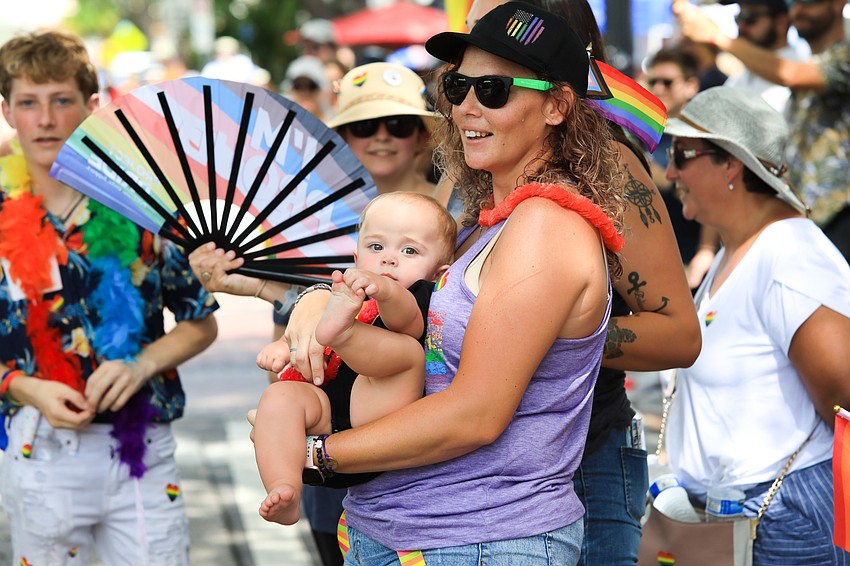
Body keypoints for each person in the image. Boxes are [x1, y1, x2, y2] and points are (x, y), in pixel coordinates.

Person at [279, 2, 628, 562]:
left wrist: (315, 454)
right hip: (404, 532)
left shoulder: (546, 225)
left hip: (479, 540)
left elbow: (475, 415)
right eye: (457, 85)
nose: (467, 106)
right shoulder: (484, 225)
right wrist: (315, 301)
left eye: (493, 90)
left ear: (557, 105)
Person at [458, 1, 702, 563]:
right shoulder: (481, 153)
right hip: (488, 470)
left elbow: (679, 334)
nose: (473, 49)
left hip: (585, 465)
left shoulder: (608, 166)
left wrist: (549, 336)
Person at [0, 30, 218, 565]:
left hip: (140, 444)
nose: (45, 119)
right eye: (28, 103)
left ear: (92, 106)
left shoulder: (143, 206)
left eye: (61, 100)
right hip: (38, 444)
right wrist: (27, 388)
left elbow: (200, 321)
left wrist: (142, 364)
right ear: (7, 112)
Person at [663, 86, 850, 564]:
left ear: (731, 165)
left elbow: (844, 397)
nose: (669, 172)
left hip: (783, 521)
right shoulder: (739, 248)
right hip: (737, 517)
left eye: (681, 155)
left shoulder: (791, 254)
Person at [251, 192, 455, 525]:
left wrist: (385, 291)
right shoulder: (346, 295)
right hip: (328, 418)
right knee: (279, 396)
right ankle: (285, 488)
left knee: (406, 351)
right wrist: (285, 348)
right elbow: (308, 338)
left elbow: (407, 323)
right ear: (357, 257)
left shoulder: (421, 294)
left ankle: (343, 334)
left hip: (377, 417)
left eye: (409, 251)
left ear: (439, 272)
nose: (389, 259)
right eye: (377, 247)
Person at [675, 0, 850, 262]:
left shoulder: (828, 58)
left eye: (808, 1)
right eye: (793, 2)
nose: (798, 10)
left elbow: (789, 74)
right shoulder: (761, 72)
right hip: (796, 216)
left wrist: (714, 35)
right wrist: (708, 247)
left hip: (839, 214)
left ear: (839, 3)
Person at [721, 0, 810, 113]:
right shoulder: (741, 76)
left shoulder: (800, 69)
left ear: (781, 22)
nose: (741, 27)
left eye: (749, 17)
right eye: (738, 18)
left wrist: (716, 37)